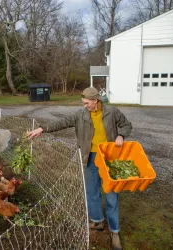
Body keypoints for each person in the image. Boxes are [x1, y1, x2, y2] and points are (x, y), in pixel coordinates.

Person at [27, 87, 132, 250]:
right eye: (83, 103)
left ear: (96, 101)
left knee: (111, 195)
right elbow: (62, 122)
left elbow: (126, 125)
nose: (85, 105)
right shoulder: (81, 114)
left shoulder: (112, 112)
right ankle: (97, 221)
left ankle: (115, 231)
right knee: (92, 193)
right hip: (89, 158)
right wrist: (42, 129)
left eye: (87, 103)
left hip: (109, 159)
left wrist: (121, 135)